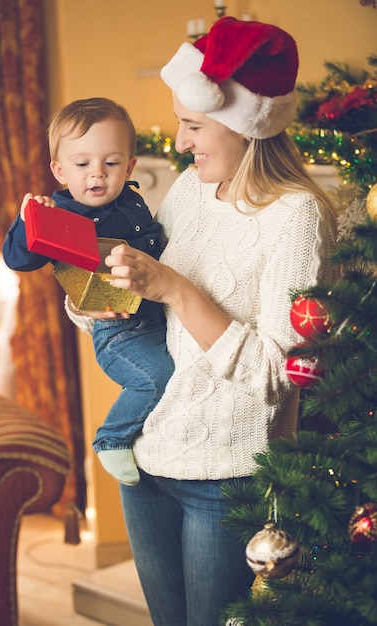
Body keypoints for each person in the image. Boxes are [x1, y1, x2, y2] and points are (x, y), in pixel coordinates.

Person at [66, 16, 338, 626]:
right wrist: (91, 295)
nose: (182, 142)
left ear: (245, 126)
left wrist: (177, 290)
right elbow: (145, 307)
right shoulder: (189, 190)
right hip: (147, 460)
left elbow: (282, 371)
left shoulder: (295, 218)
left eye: (193, 125)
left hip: (227, 479)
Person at [2, 97, 174, 487]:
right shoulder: (59, 214)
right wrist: (28, 219)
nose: (97, 174)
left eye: (111, 163)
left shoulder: (131, 199)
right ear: (59, 170)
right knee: (157, 377)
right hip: (120, 331)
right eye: (82, 165)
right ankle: (112, 438)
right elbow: (18, 261)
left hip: (155, 315)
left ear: (130, 167)